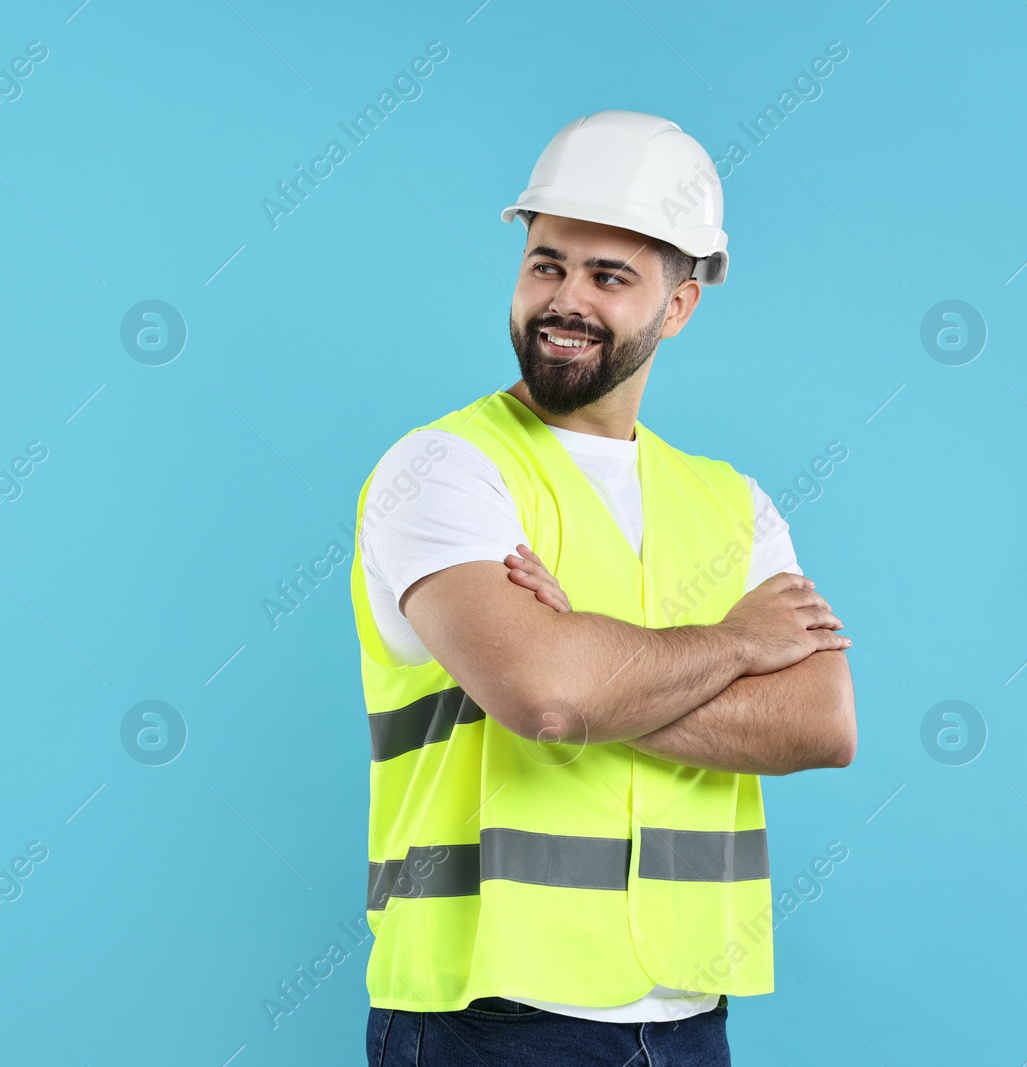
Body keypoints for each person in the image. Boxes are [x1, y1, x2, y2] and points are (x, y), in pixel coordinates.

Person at [350, 111, 858, 1066]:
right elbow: (547, 694)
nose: (564, 298)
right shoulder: (443, 470)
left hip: (688, 1019)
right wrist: (740, 647)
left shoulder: (731, 503)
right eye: (546, 263)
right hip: (485, 1020)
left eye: (609, 275)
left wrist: (585, 654)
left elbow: (822, 723)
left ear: (679, 305)